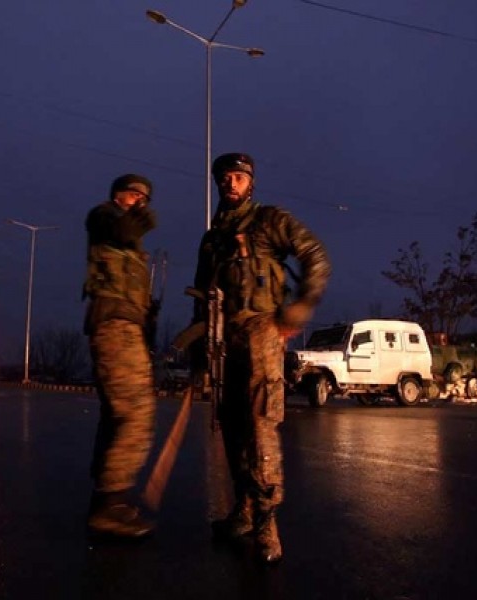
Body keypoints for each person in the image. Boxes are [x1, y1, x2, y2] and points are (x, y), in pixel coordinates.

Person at [192, 153, 331, 563]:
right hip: (223, 339)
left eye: (237, 177)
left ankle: (268, 521)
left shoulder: (269, 221)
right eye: (223, 178)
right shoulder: (212, 239)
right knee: (231, 425)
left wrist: (299, 309)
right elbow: (201, 295)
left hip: (261, 334)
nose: (229, 184)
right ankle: (245, 510)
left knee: (260, 425)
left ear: (250, 182)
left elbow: (315, 256)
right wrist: (199, 353)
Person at [82, 173, 158, 538]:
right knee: (136, 412)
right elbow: (116, 229)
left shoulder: (134, 249)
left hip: (126, 326)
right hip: (112, 323)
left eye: (145, 197)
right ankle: (111, 505)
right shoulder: (103, 217)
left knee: (116, 414)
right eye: (133, 195)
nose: (140, 200)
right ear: (117, 196)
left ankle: (105, 497)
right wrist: (131, 218)